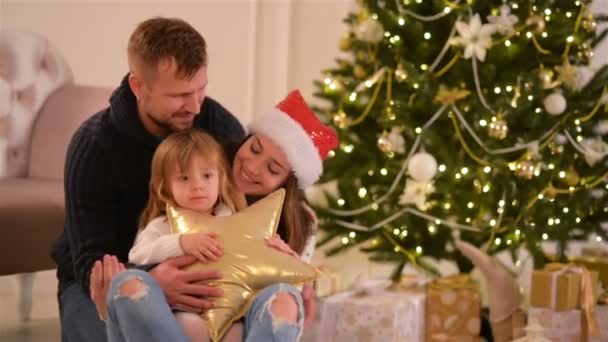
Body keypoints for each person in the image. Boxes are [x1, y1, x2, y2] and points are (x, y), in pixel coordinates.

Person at [51, 17, 245, 342]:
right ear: (138, 86)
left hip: (198, 274)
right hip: (102, 282)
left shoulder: (217, 125)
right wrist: (150, 284)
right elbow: (90, 258)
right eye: (181, 94)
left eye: (201, 88)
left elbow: (259, 200)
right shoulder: (94, 146)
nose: (195, 106)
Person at [95, 89, 339, 341]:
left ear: (286, 184)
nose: (253, 167)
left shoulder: (299, 222)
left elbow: (287, 299)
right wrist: (160, 271)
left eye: (273, 168)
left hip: (240, 315)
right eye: (254, 149)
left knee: (283, 298)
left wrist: (290, 266)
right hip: (176, 312)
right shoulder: (203, 175)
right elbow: (141, 254)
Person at [127, 129, 247, 341]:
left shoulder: (232, 219)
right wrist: (180, 243)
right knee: (191, 327)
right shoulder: (163, 225)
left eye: (207, 175)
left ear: (220, 177)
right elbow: (137, 255)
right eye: (184, 178)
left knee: (236, 333)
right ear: (165, 186)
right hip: (184, 307)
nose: (198, 186)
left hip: (228, 305)